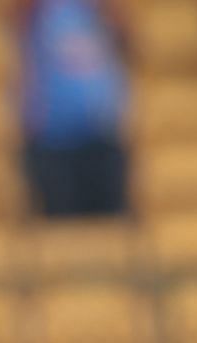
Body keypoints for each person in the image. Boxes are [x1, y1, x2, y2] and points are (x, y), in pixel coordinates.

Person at [16, 0, 131, 219]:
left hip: (102, 130)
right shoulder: (37, 10)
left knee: (109, 229)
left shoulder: (98, 9)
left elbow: (127, 37)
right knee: (62, 228)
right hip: (52, 136)